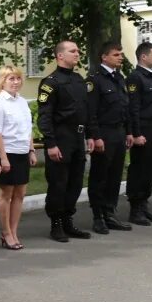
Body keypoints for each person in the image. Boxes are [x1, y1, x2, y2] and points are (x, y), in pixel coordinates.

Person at [37, 41, 92, 242]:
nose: (77, 53)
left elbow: (86, 111)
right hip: (61, 138)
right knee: (58, 183)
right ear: (60, 56)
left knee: (75, 182)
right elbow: (44, 116)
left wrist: (90, 136)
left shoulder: (79, 79)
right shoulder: (50, 82)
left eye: (78, 50)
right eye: (73, 51)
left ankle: (68, 220)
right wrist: (50, 143)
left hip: (78, 138)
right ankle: (56, 224)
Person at [85, 42, 133, 234]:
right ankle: (98, 216)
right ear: (104, 57)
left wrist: (129, 131)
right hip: (103, 133)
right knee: (100, 176)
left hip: (119, 132)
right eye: (116, 54)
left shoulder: (119, 78)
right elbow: (91, 111)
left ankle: (110, 212)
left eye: (121, 54)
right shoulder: (95, 80)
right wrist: (95, 136)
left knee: (115, 175)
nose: (120, 57)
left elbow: (125, 107)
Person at [0, 65, 36, 249]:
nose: (16, 82)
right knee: (6, 194)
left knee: (20, 194)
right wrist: (3, 158)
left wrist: (31, 150)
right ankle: (6, 232)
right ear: (2, 81)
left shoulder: (22, 102)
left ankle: (14, 230)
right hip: (7, 152)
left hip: (22, 151)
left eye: (18, 78)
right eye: (11, 79)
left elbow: (28, 129)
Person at [125, 42, 152, 225]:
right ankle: (135, 209)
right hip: (144, 128)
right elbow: (133, 108)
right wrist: (136, 133)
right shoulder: (136, 77)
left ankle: (144, 205)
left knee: (151, 169)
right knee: (140, 169)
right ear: (144, 57)